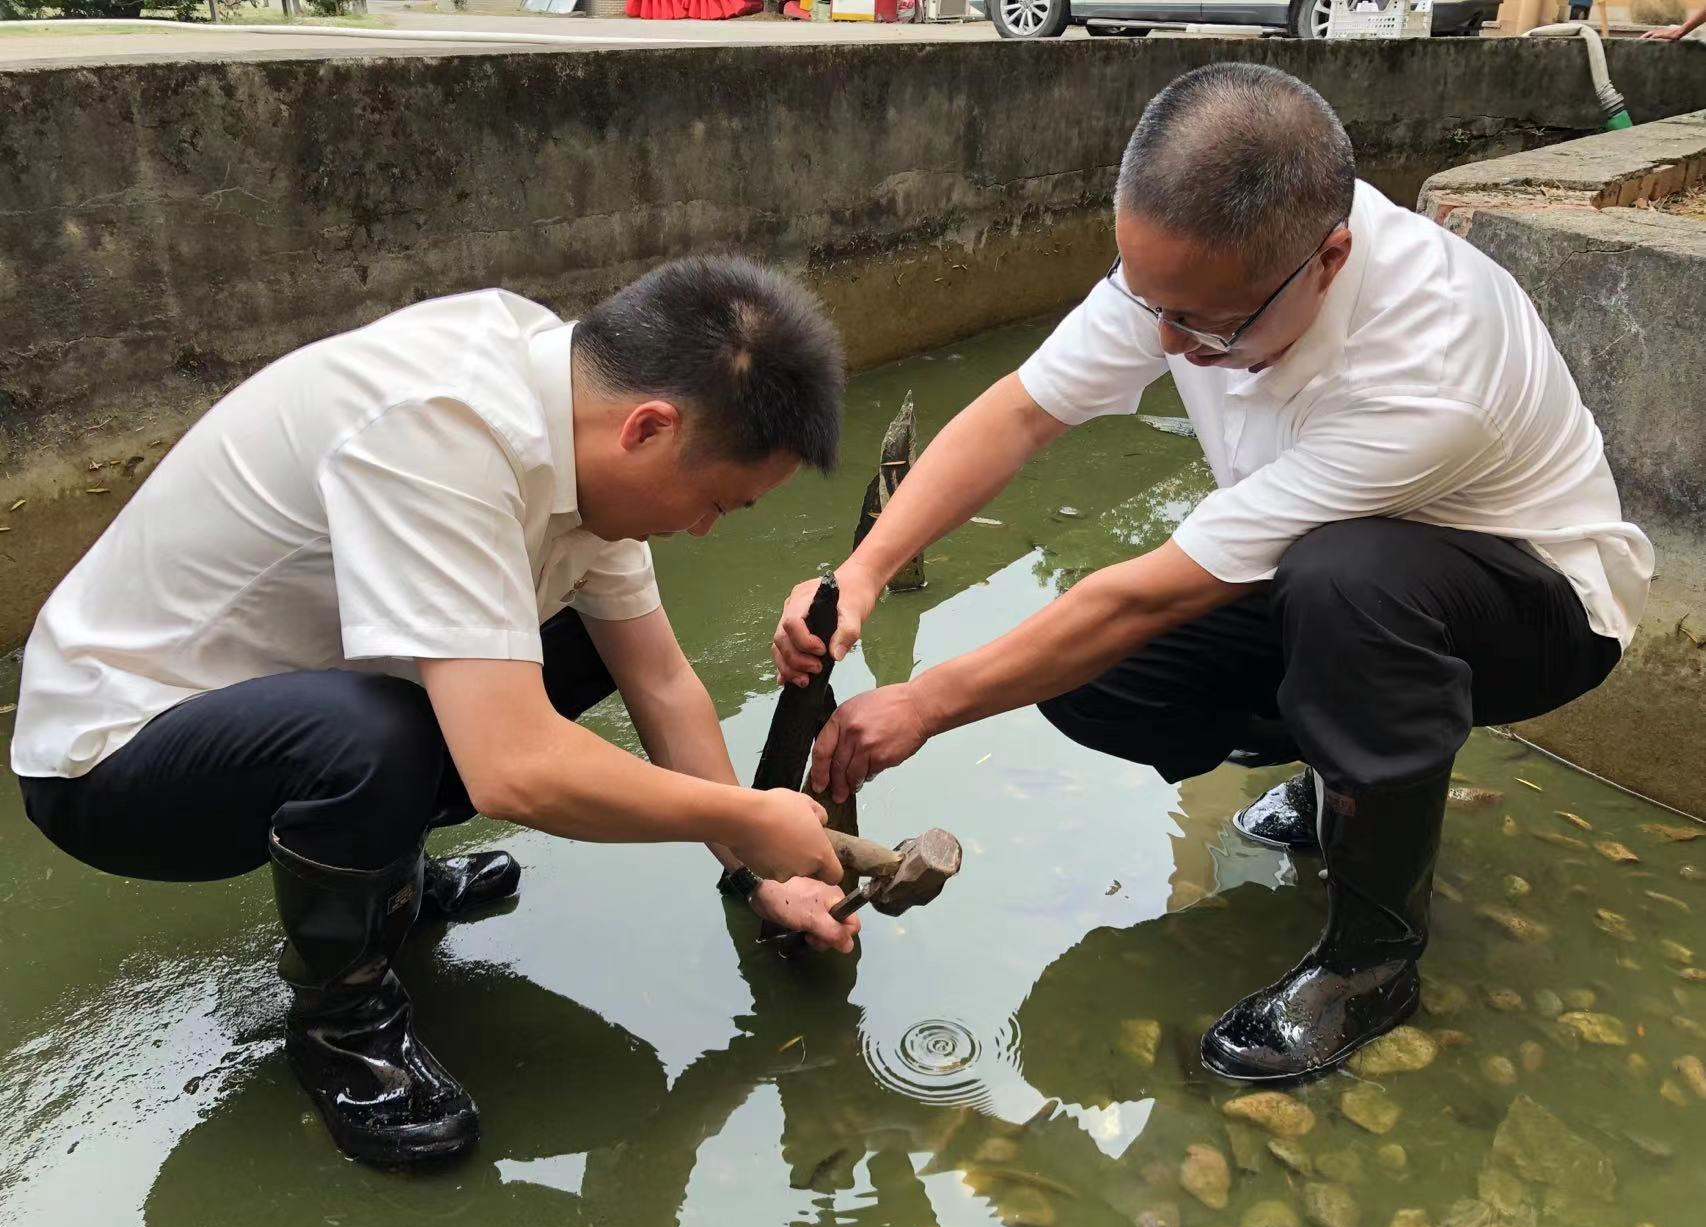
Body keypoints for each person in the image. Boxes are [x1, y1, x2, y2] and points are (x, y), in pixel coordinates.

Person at [771, 64, 1652, 1087]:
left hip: (1534, 608)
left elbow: (1152, 590)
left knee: (1344, 583)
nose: (1163, 340)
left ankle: (1371, 959)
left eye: (1199, 324)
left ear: (1328, 260)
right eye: (1145, 298)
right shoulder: (1201, 270)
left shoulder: (1423, 363)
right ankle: (1346, 780)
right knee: (1094, 674)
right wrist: (864, 572)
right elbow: (1021, 409)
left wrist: (923, 701)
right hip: (1350, 578)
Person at [12, 256, 863, 1167]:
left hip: (281, 699)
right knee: (372, 738)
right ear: (649, 428)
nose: (704, 528)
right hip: (113, 755)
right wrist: (748, 816)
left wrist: (754, 872)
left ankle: (387, 884)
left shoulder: (575, 412)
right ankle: (343, 1028)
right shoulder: (442, 425)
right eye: (716, 503)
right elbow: (510, 766)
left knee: (569, 643)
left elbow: (658, 677)